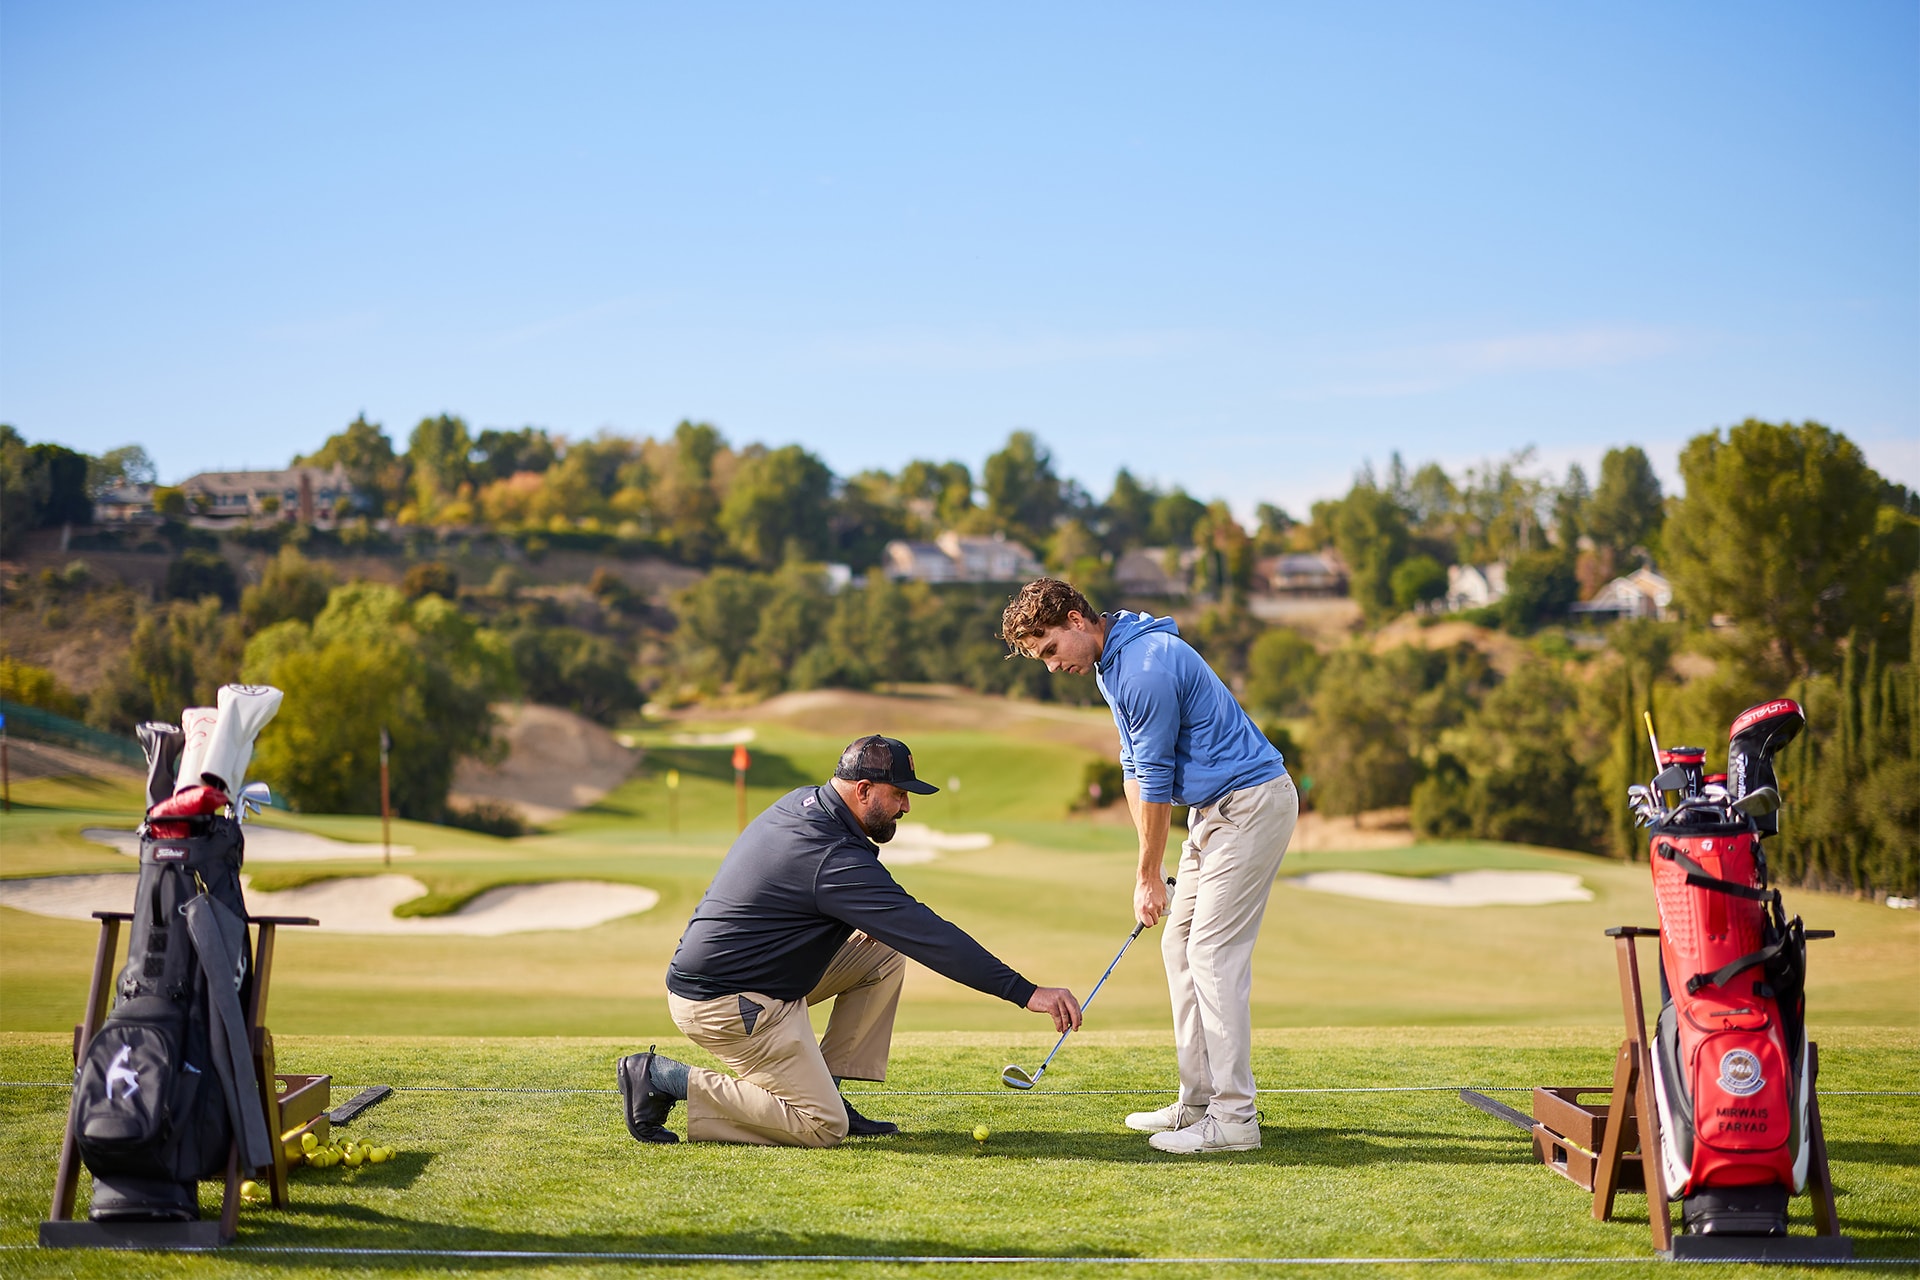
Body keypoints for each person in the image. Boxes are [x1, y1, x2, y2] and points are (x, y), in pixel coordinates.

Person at [619, 733, 1083, 1147]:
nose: (906, 806)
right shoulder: (832, 857)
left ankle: (831, 1088)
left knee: (882, 952)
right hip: (726, 1004)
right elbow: (929, 935)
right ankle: (661, 1078)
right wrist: (1025, 992)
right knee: (823, 1125)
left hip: (753, 980)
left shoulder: (805, 802)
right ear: (862, 790)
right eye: (898, 794)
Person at [1001, 578, 1297, 1153]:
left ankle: (1235, 1119)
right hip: (1214, 811)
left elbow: (1157, 779)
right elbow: (1133, 770)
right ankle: (1199, 1103)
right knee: (1178, 944)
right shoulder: (1112, 666)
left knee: (1212, 953)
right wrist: (1151, 869)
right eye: (1043, 658)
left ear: (1076, 619)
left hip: (1252, 803)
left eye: (1051, 649)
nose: (1053, 666)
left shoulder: (1143, 667)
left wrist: (1146, 875)